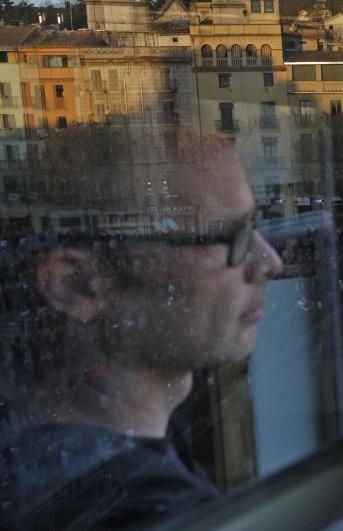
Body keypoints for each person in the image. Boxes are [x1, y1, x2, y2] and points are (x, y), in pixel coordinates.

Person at [0, 130, 283, 530]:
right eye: (230, 236)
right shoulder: (137, 509)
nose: (270, 262)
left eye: (255, 226)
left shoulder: (49, 460)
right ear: (76, 283)